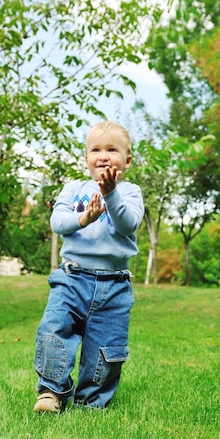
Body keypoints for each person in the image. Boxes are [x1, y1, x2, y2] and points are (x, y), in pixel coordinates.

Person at [33, 120, 144, 412]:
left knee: (105, 348)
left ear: (127, 160)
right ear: (86, 159)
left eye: (112, 149)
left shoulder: (130, 193)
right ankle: (51, 392)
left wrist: (110, 193)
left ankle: (91, 403)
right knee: (54, 329)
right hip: (72, 279)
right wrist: (83, 219)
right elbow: (58, 223)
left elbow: (127, 224)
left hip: (114, 286)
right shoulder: (74, 189)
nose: (103, 155)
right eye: (96, 149)